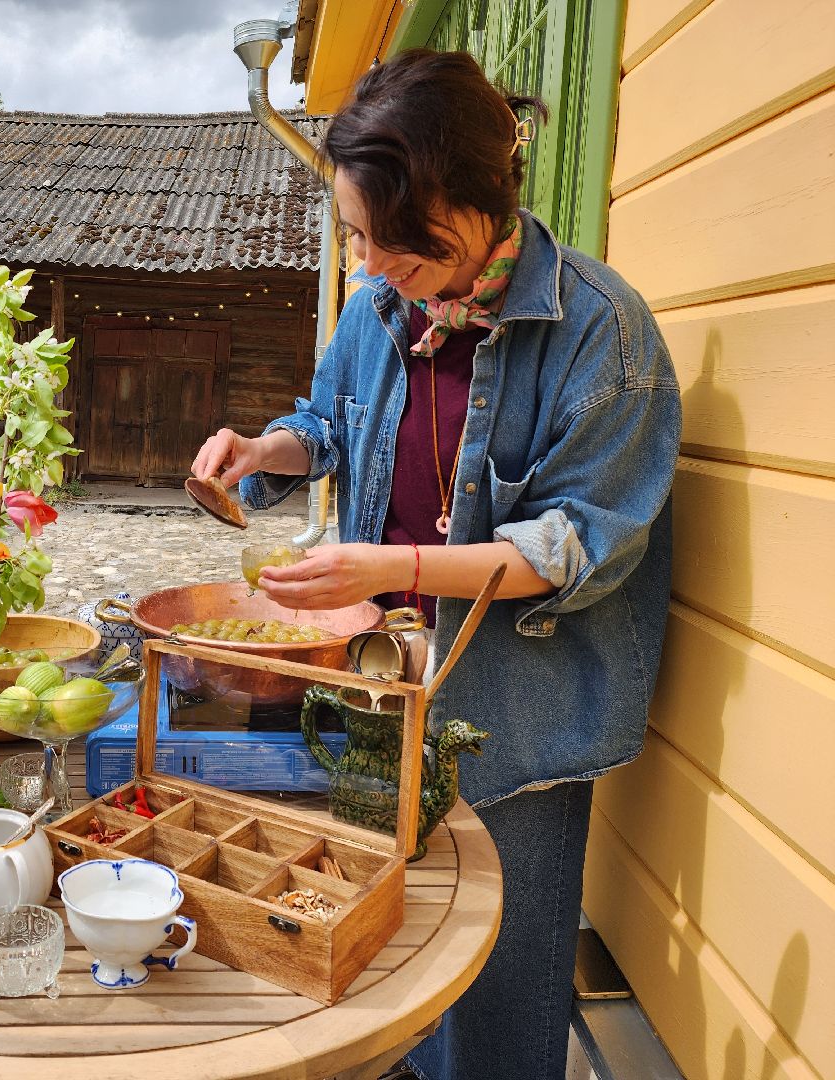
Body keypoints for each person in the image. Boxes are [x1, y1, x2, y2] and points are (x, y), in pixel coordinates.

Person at [191, 49, 680, 1080]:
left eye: (387, 240)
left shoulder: (605, 333)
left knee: (502, 999)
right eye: (355, 236)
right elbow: (327, 422)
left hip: (525, 709)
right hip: (385, 685)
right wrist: (267, 450)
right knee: (395, 951)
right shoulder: (381, 308)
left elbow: (573, 547)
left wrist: (382, 564)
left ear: (468, 204)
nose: (366, 265)